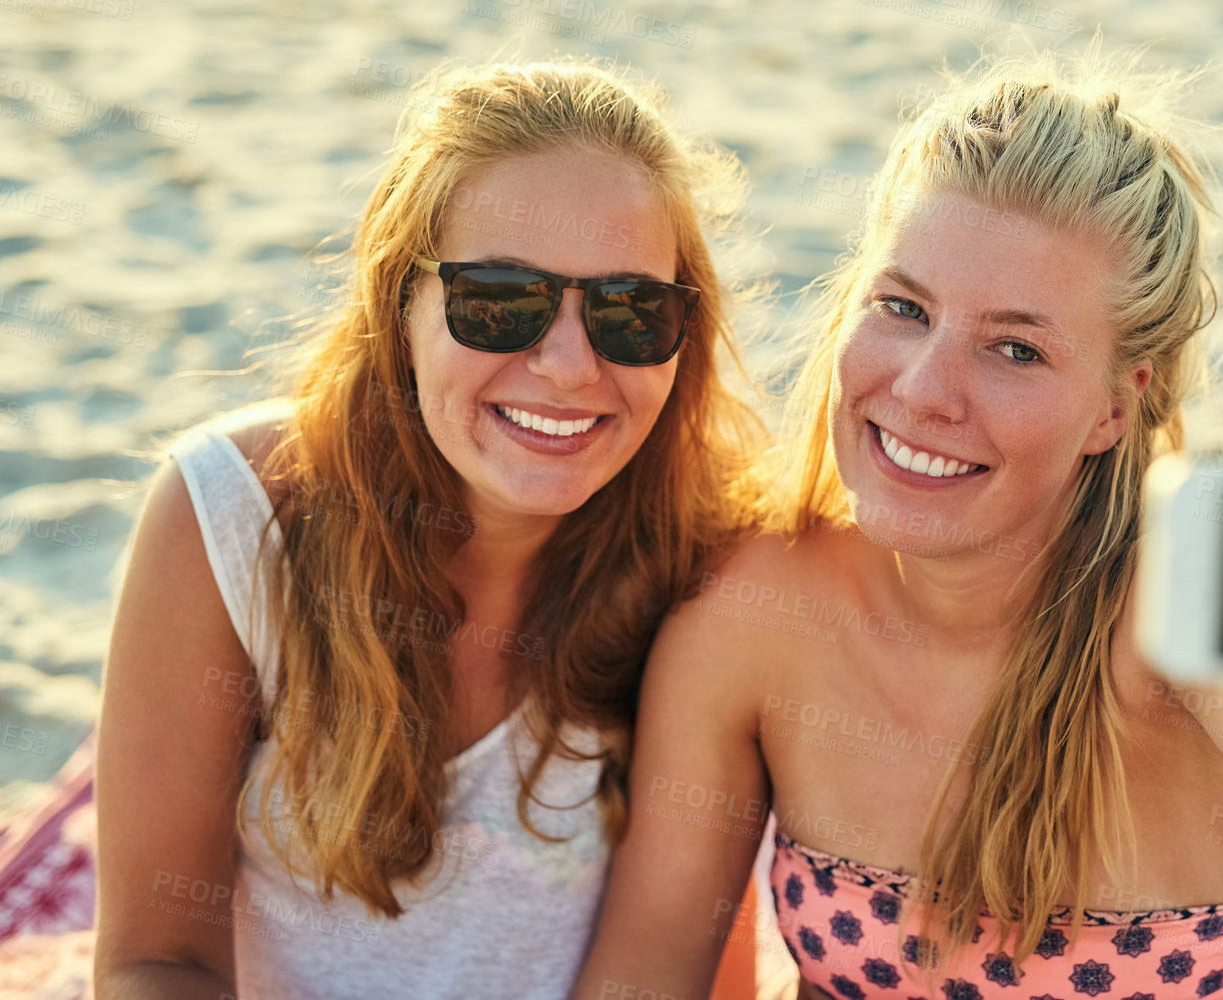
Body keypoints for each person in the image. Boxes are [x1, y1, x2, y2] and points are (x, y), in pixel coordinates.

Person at [574, 52, 1223, 997]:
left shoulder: (1184, 592)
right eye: (903, 307)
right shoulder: (755, 611)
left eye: (1017, 349)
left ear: (1120, 403)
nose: (926, 388)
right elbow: (645, 974)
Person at [92, 59, 765, 1000]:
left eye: (629, 310)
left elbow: (689, 976)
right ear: (397, 300)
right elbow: (154, 960)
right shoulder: (230, 518)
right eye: (500, 301)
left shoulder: (716, 560)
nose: (571, 366)